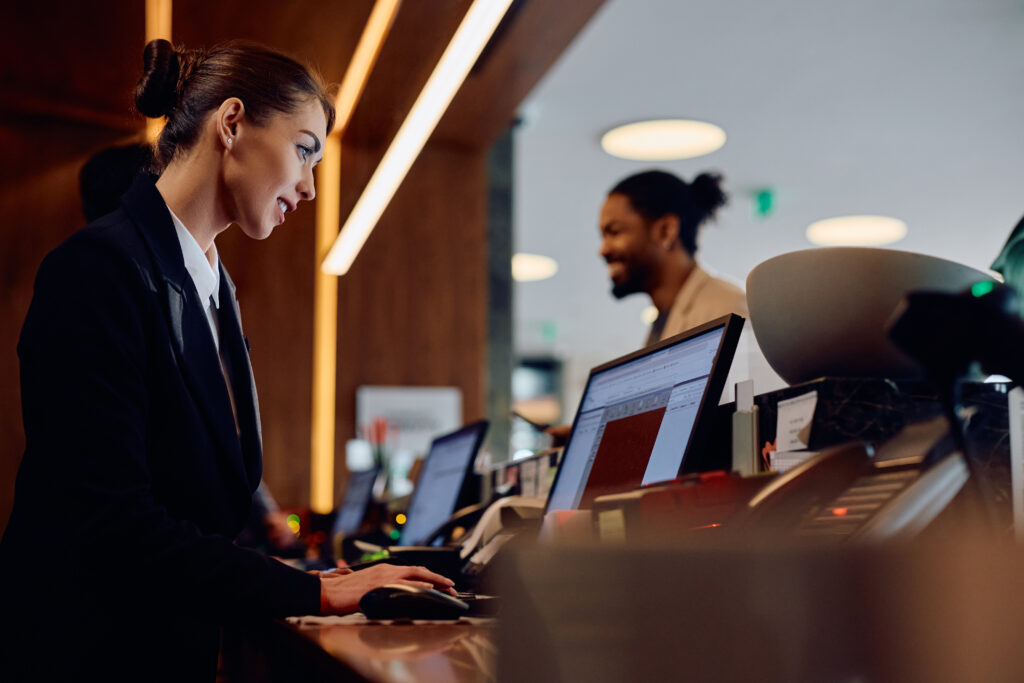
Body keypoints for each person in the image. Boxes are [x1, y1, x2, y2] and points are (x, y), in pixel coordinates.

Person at [0, 39, 453, 681]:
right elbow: (109, 519)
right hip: (86, 650)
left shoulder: (213, 284)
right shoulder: (97, 270)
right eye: (304, 150)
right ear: (232, 123)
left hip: (162, 643)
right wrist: (313, 591)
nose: (311, 186)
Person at [599, 169, 748, 346]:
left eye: (614, 232)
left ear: (666, 231)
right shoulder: (661, 322)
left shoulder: (730, 309)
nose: (603, 250)